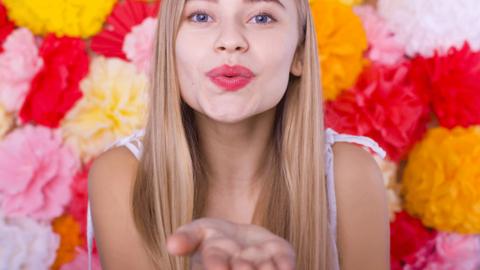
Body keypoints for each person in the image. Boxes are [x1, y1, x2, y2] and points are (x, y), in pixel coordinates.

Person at [88, 0, 390, 269]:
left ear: (299, 52)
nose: (230, 41)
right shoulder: (122, 175)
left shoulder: (349, 176)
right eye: (202, 16)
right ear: (170, 45)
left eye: (261, 17)